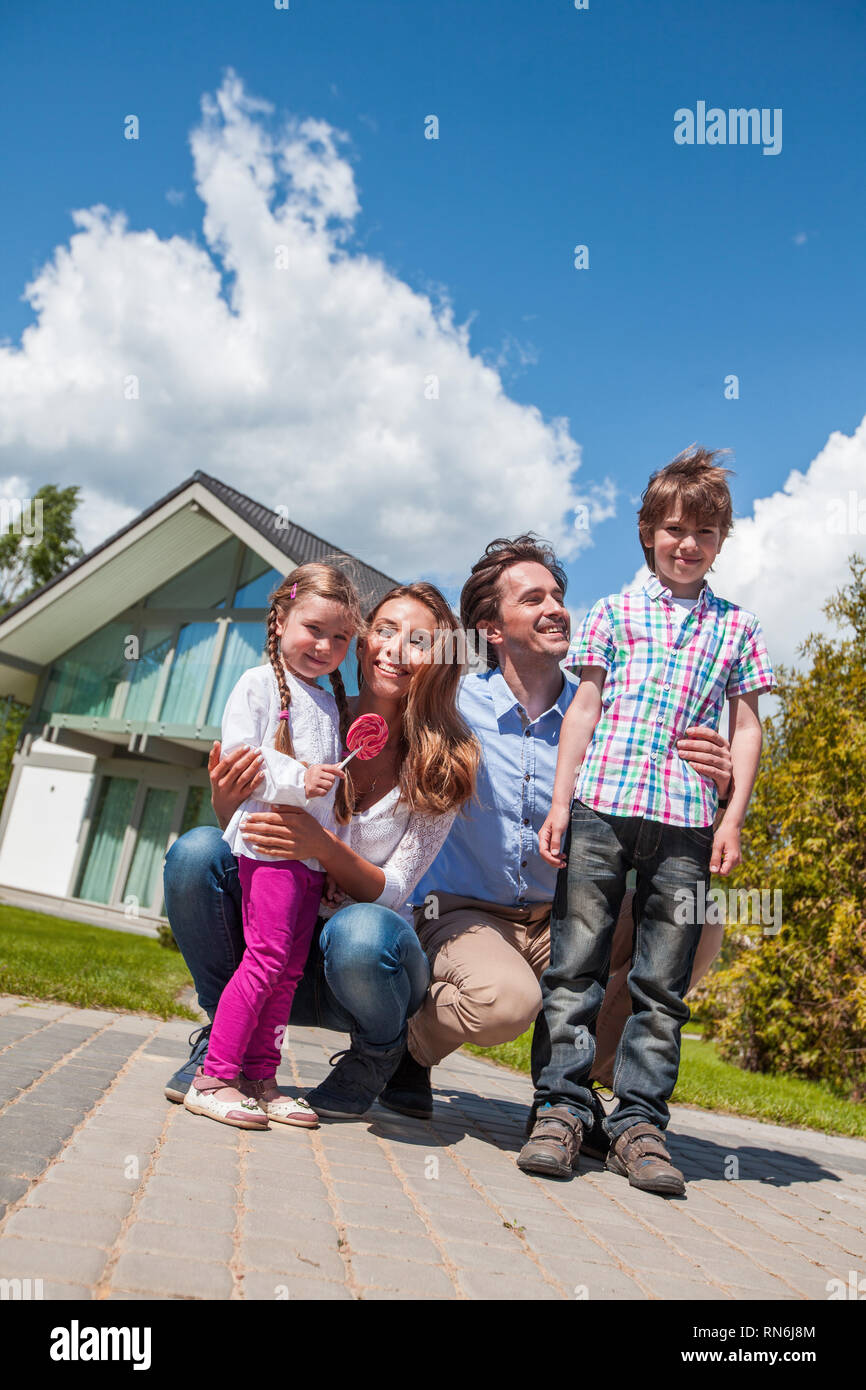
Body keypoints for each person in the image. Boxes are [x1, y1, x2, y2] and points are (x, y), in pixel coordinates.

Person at [393, 534, 734, 1147]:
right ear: (492, 630)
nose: (556, 608)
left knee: (700, 918)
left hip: (573, 911)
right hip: (465, 914)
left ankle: (569, 1095)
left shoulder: (605, 708)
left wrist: (721, 775)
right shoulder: (450, 702)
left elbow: (680, 783)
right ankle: (407, 1051)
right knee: (506, 1003)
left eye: (558, 595)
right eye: (533, 599)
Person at [518, 447, 775, 1195]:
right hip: (601, 808)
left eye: (704, 532)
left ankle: (637, 1124)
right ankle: (560, 1110)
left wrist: (733, 816)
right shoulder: (611, 615)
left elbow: (749, 727)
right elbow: (585, 711)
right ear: (646, 533)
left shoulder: (738, 629)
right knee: (577, 966)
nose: (687, 544)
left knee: (664, 983)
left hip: (689, 824)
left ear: (721, 542)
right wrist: (561, 804)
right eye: (673, 528)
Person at [163, 581, 478, 1120]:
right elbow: (259, 831)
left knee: (362, 931)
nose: (394, 650)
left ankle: (377, 1055)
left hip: (356, 967)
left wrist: (326, 850)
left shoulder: (444, 760)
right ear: (362, 643)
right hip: (281, 922)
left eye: (419, 641)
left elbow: (395, 889)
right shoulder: (315, 711)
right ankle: (224, 1048)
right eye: (383, 630)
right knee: (197, 851)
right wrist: (226, 802)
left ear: (442, 662)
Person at [183, 561, 361, 1130]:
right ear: (280, 618)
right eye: (314, 628)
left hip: (308, 860)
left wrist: (332, 850)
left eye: (340, 637)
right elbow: (239, 757)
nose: (326, 645)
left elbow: (330, 796)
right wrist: (297, 778)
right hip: (268, 850)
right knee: (263, 961)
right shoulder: (256, 683)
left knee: (286, 971)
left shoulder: (330, 702)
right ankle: (214, 1076)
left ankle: (261, 1078)